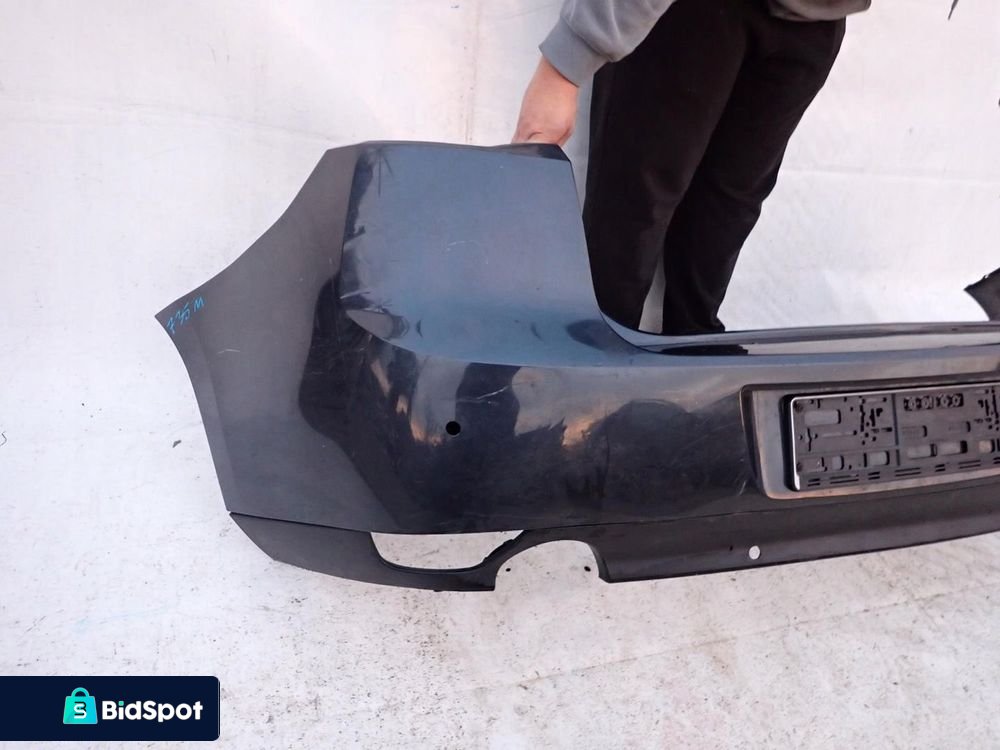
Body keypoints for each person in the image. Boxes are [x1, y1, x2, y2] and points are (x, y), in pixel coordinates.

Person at [513, 0, 869, 334]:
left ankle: (692, 352)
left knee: (729, 206)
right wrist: (564, 67)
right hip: (691, 13)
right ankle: (599, 357)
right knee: (635, 204)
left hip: (818, 18)